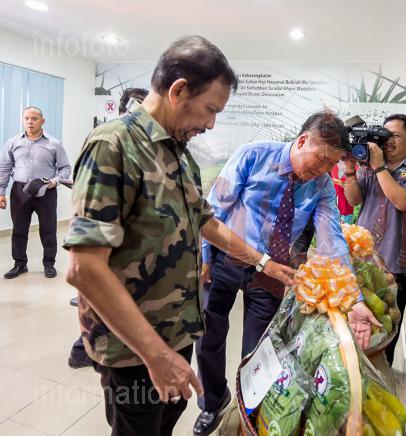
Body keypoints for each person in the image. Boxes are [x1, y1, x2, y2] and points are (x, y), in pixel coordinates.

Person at [63, 36, 294, 436]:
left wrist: (264, 263)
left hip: (175, 331)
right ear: (179, 90)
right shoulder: (114, 145)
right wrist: (156, 355)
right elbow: (84, 269)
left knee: (164, 424)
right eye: (210, 110)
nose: (211, 124)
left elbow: (207, 221)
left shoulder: (178, 152)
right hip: (133, 346)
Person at [193, 110, 381, 435]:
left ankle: (249, 412)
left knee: (259, 349)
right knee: (208, 335)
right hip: (227, 259)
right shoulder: (253, 155)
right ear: (303, 140)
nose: (324, 170)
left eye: (331, 165)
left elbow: (332, 239)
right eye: (322, 159)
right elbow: (215, 207)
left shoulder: (321, 185)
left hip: (273, 271)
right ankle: (212, 401)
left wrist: (355, 299)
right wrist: (205, 255)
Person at [67, 87, 150, 370]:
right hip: (106, 240)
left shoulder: (142, 144)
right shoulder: (110, 140)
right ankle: (82, 349)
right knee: (98, 295)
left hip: (124, 243)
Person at [343, 114, 406, 365]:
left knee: (385, 334)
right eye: (385, 134)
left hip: (394, 268)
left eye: (396, 136)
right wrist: (350, 169)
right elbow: (353, 200)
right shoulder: (368, 168)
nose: (389, 140)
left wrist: (380, 167)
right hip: (362, 263)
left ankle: (382, 376)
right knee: (354, 330)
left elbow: (403, 202)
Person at [0, 107, 71, 279]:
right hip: (20, 191)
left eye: (34, 118)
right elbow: (4, 168)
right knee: (19, 229)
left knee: (48, 229)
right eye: (26, 118)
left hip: (46, 190)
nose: (29, 122)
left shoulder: (54, 143)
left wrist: (55, 180)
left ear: (42, 121)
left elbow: (65, 168)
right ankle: (20, 264)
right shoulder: (13, 142)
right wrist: (1, 192)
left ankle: (49, 264)